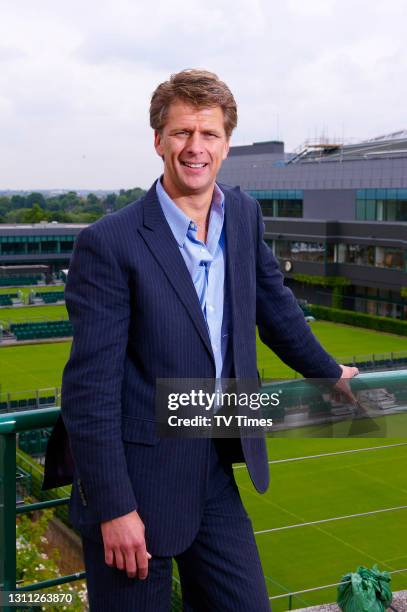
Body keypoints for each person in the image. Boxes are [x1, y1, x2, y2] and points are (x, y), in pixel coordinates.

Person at [43, 69, 358, 611]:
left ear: (227, 142)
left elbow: (274, 306)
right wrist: (114, 509)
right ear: (158, 140)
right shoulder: (108, 243)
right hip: (135, 485)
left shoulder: (242, 213)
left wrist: (327, 371)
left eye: (209, 134)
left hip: (213, 466)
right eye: (182, 132)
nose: (195, 147)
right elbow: (89, 393)